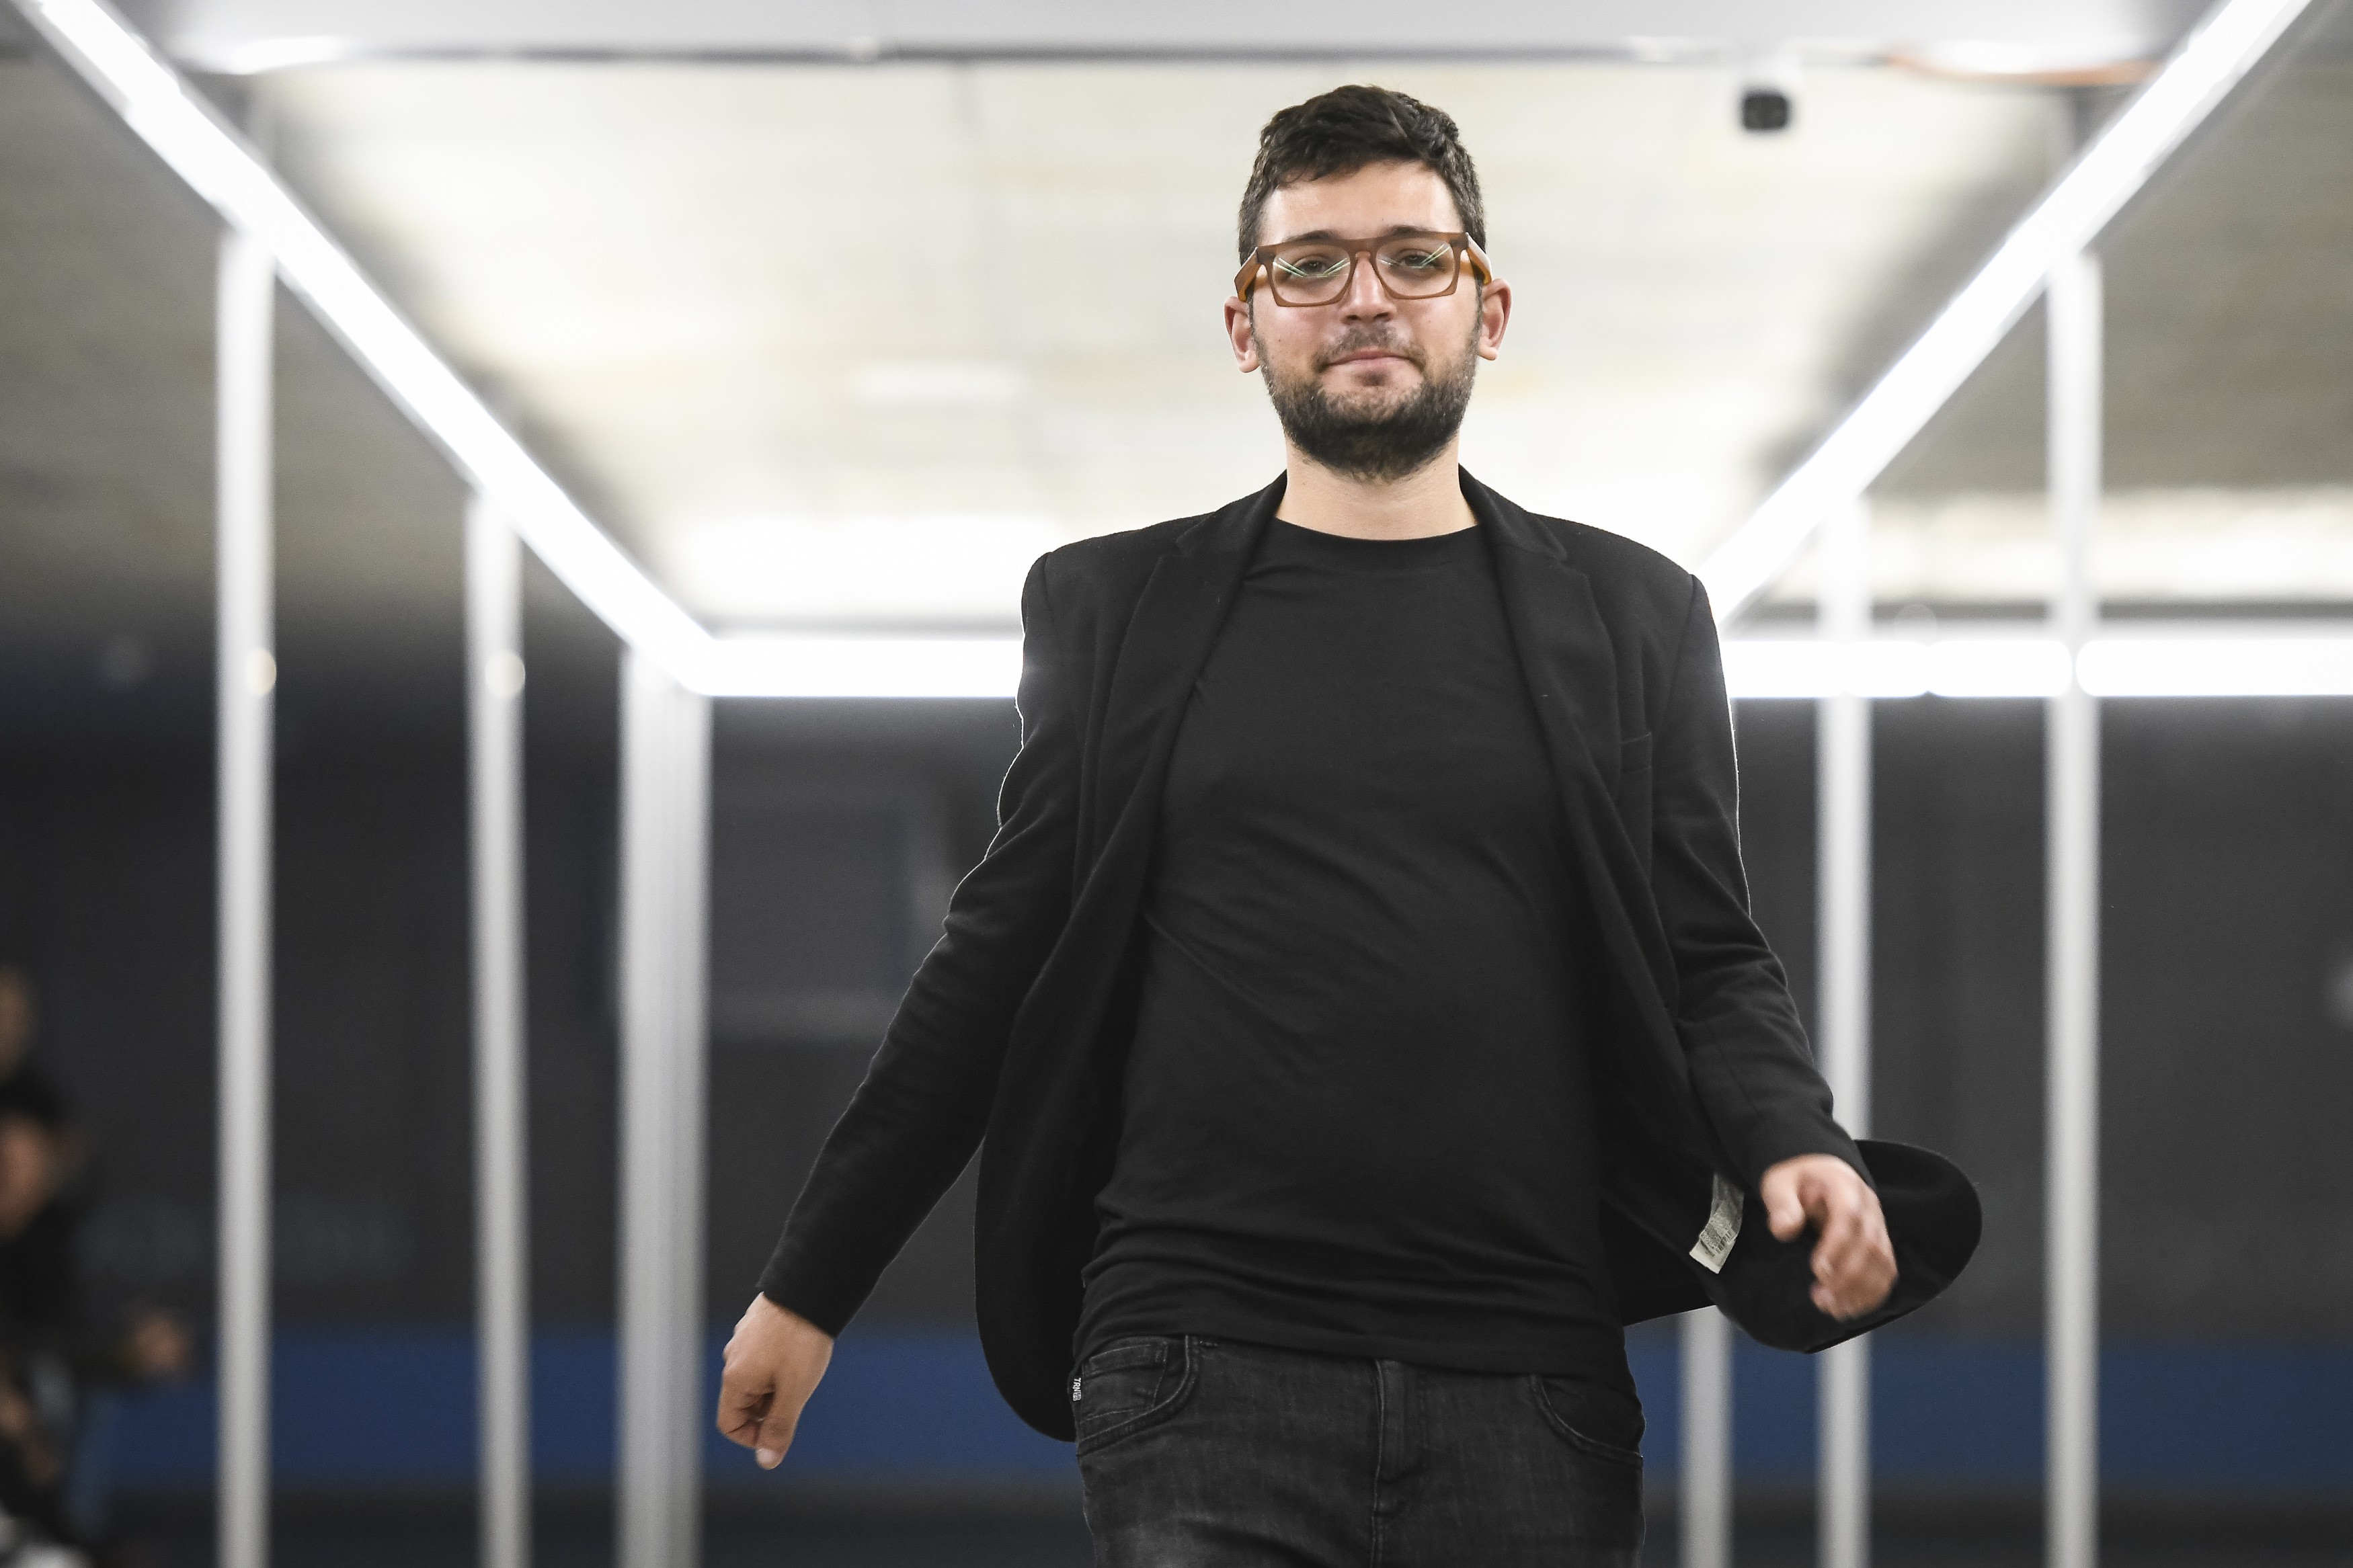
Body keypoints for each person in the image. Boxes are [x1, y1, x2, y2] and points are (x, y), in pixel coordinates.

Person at [718, 85, 1972, 1565]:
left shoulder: (1634, 619)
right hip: (1197, 1363)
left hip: (1530, 1376)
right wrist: (809, 1285)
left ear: (1485, 309)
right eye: (1309, 265)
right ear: (1245, 324)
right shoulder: (1117, 611)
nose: (1364, 298)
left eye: (1412, 258)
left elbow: (1708, 952)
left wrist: (1793, 1140)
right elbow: (987, 967)